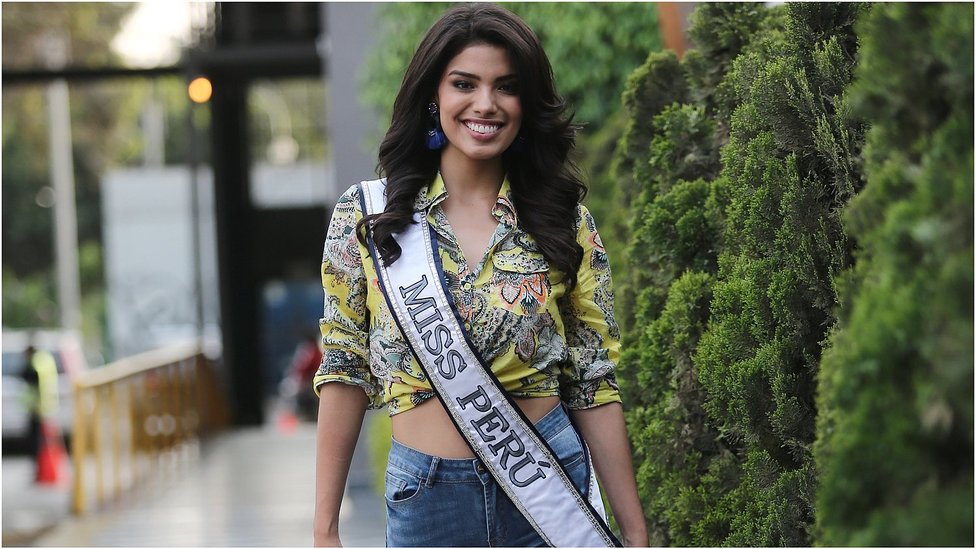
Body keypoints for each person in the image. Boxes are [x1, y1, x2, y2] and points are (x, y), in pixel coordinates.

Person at [313, 4, 647, 547]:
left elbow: (594, 379)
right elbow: (344, 365)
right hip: (427, 499)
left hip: (548, 496)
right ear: (433, 96)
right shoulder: (370, 216)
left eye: (506, 87)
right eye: (464, 84)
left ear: (526, 103)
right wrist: (325, 528)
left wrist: (634, 532)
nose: (486, 104)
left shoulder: (563, 222)